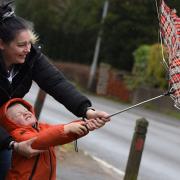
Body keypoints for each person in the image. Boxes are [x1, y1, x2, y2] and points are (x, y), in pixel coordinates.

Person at [0, 2, 110, 179]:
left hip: (6, 132)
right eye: (21, 45)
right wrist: (13, 144)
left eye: (30, 43)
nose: (28, 49)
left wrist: (86, 110)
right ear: (2, 44)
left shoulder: (31, 57)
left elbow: (56, 83)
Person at [0, 98, 96, 180]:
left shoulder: (41, 127)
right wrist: (66, 128)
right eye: (19, 114)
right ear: (10, 123)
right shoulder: (17, 134)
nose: (25, 113)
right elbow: (41, 139)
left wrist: (85, 124)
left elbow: (59, 136)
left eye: (26, 110)